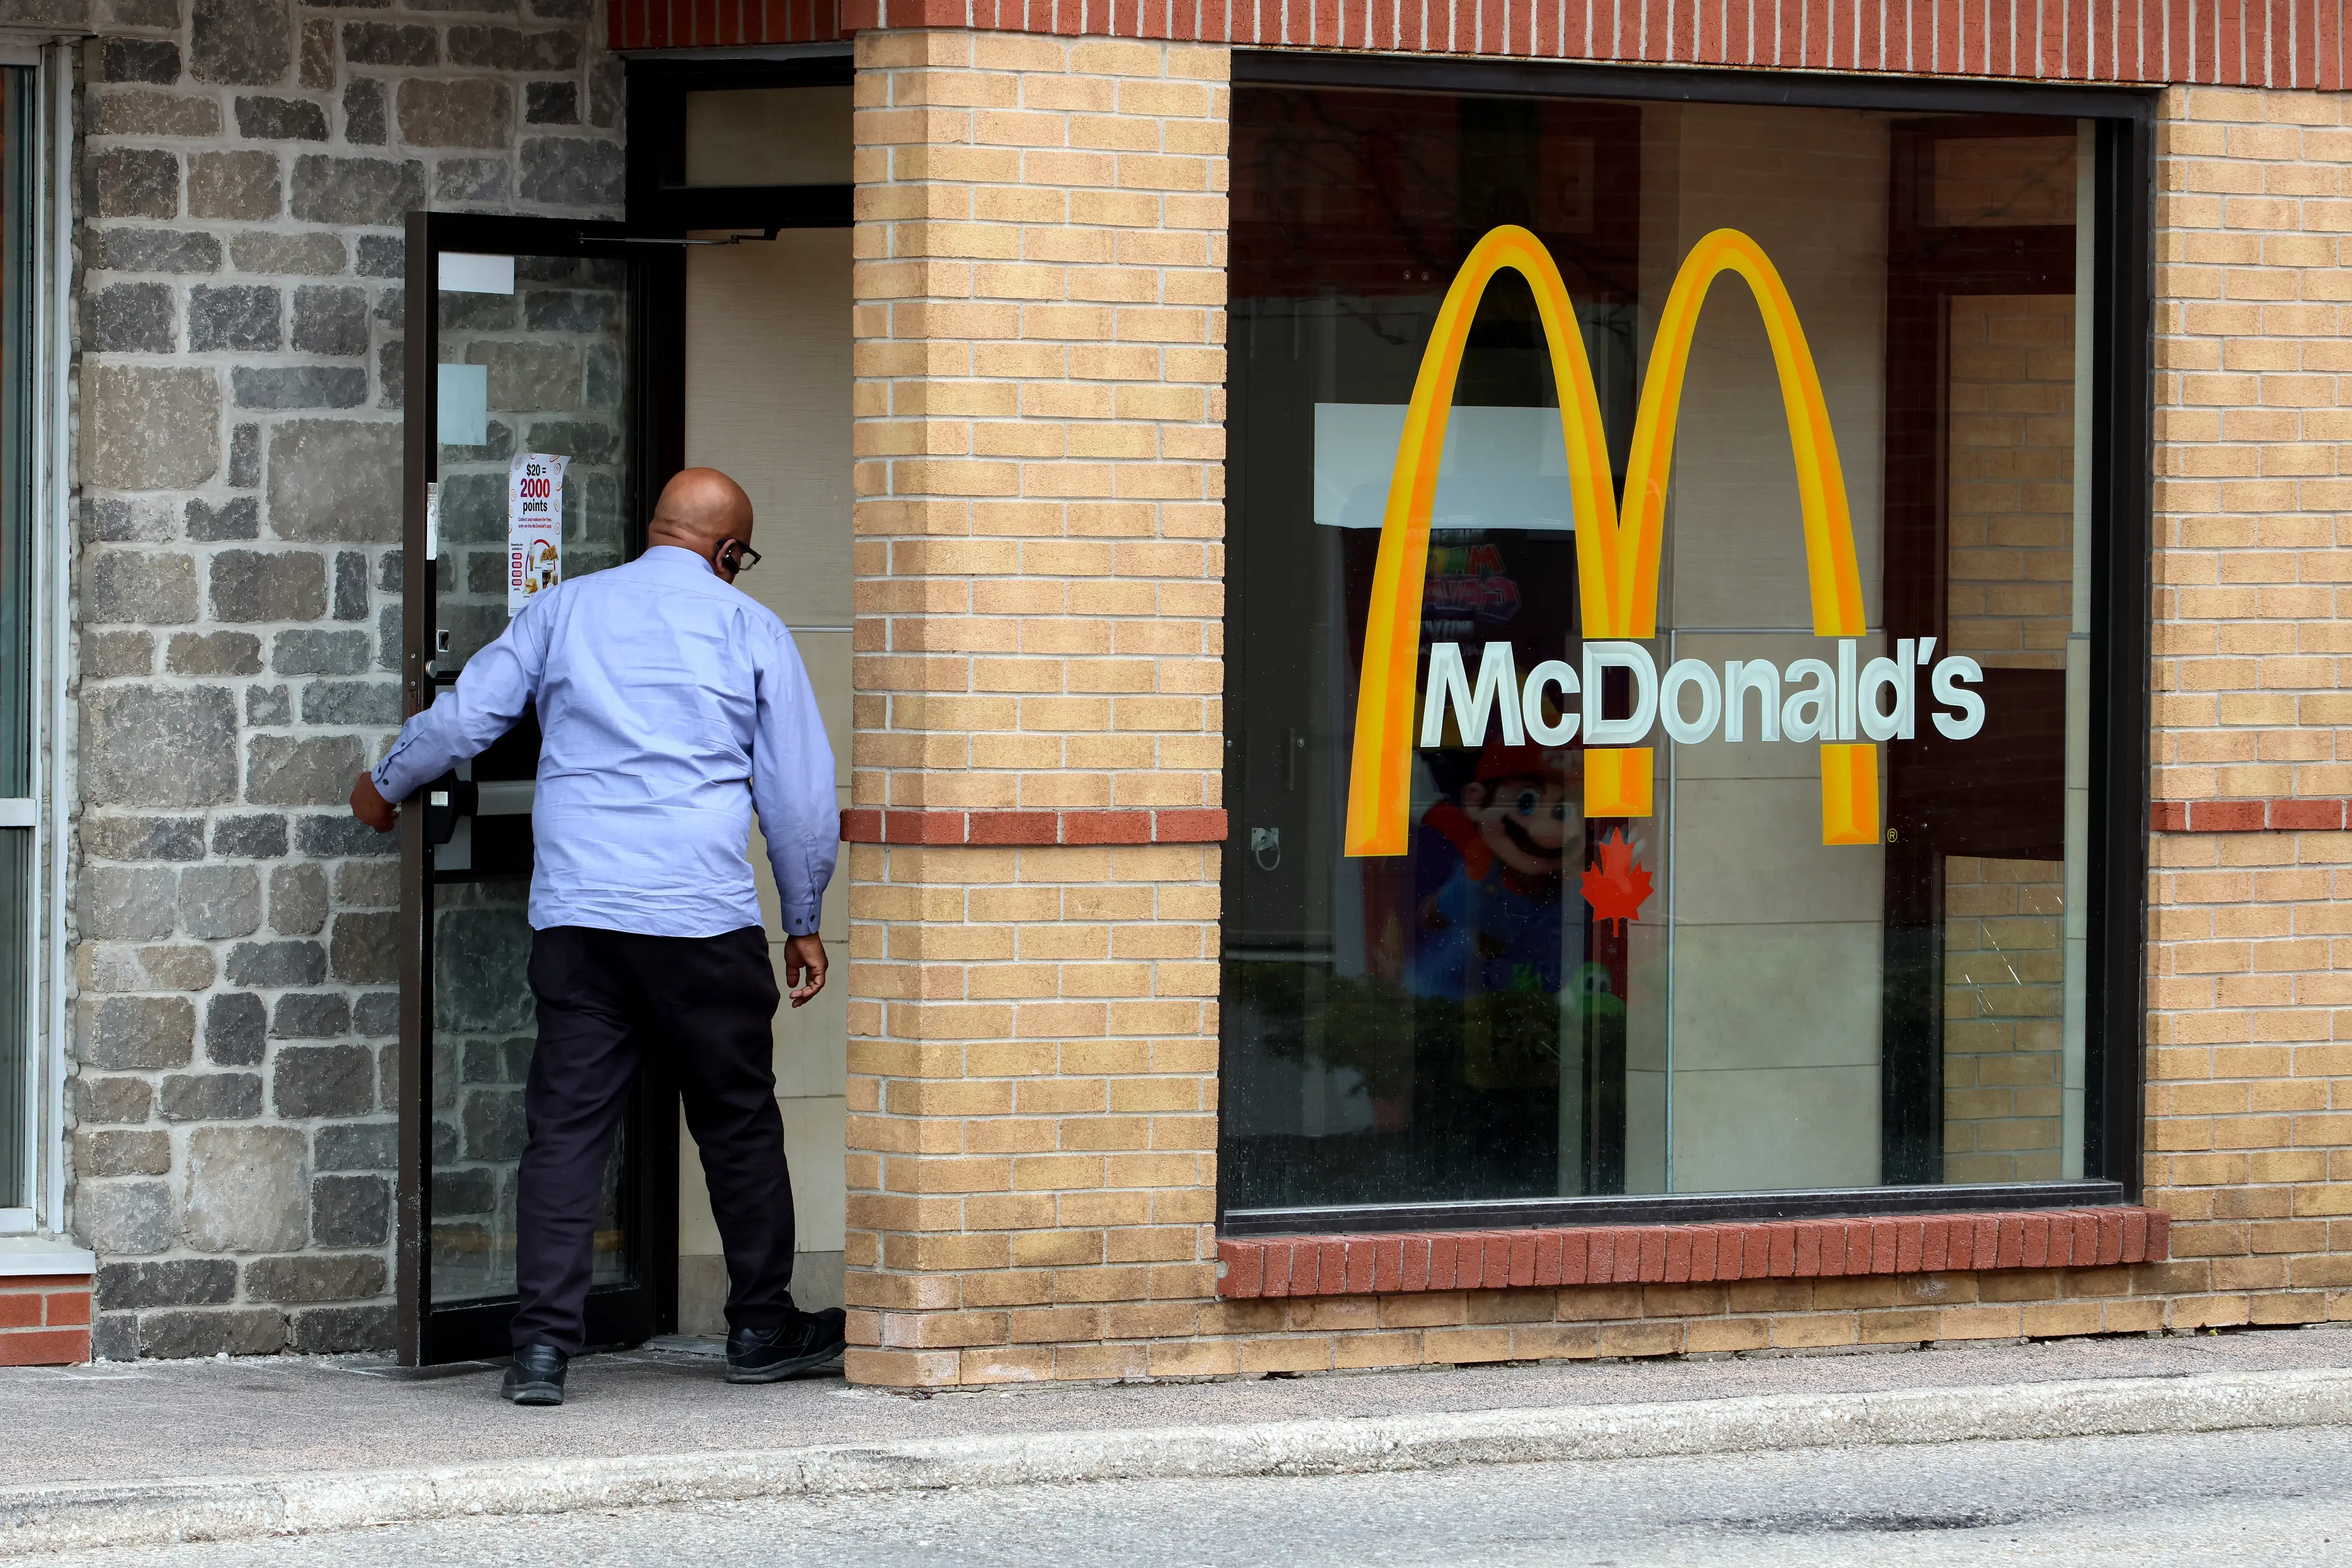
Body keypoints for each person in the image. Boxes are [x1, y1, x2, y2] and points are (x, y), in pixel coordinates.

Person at [351, 467, 845, 1407]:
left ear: (656, 530)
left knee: (568, 1133)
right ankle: (761, 1325)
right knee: (738, 1124)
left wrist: (385, 784)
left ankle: (539, 1352)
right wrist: (804, 919)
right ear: (729, 552)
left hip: (582, 918)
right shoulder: (751, 630)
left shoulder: (563, 610)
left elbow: (468, 716)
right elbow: (800, 800)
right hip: (701, 918)